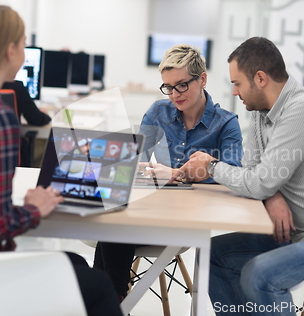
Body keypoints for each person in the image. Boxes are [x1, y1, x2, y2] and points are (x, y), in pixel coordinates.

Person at [0, 3, 121, 316]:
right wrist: (36, 207)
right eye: (24, 42)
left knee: (75, 264)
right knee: (97, 286)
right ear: (11, 50)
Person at [173, 37, 304, 315]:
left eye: (238, 83)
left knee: (261, 275)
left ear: (260, 78)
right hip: (300, 233)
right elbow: (258, 172)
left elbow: (260, 181)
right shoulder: (260, 111)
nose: (234, 92)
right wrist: (273, 195)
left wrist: (211, 167)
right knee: (212, 256)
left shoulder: (303, 109)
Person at [93, 44, 243, 300]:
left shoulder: (226, 124)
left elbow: (236, 175)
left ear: (202, 79)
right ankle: (110, 299)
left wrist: (178, 173)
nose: (174, 94)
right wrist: (137, 166)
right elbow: (134, 159)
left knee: (116, 226)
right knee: (116, 217)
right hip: (151, 211)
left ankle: (108, 298)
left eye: (182, 85)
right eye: (168, 87)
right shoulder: (157, 112)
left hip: (191, 220)